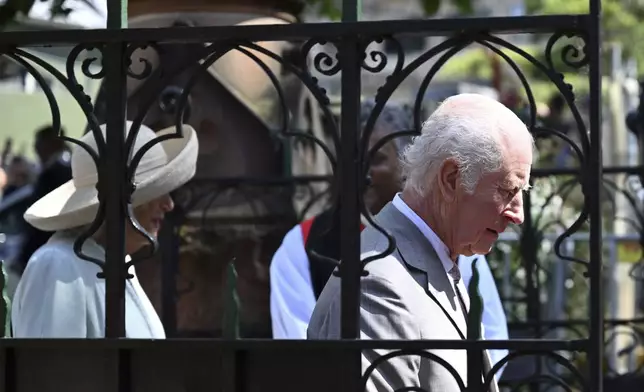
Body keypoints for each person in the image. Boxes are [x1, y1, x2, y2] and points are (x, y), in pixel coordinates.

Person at [307, 94, 533, 392]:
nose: (518, 214)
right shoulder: (377, 285)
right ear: (451, 179)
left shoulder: (436, 258)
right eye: (507, 189)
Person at [11, 121, 198, 338]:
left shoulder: (119, 263)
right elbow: (51, 368)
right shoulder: (58, 266)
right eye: (155, 191)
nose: (169, 204)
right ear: (121, 200)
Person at [14, 126, 73, 274]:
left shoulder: (56, 172)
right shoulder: (62, 168)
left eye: (39, 143)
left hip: (47, 246)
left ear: (51, 143)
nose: (35, 147)